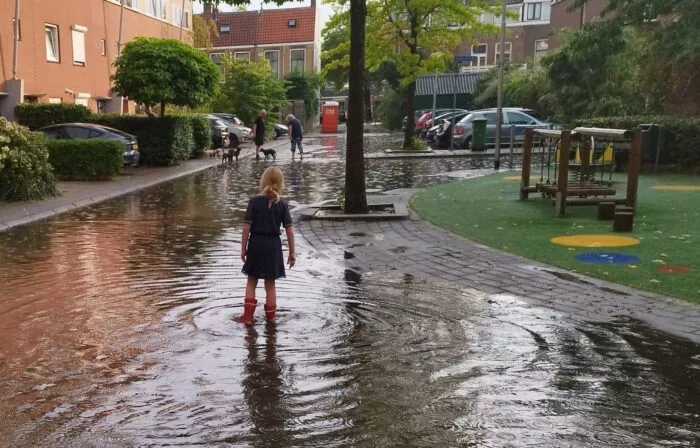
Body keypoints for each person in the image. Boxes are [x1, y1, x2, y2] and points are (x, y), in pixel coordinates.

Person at [236, 166, 296, 324]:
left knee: (252, 280)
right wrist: (292, 252)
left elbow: (246, 227)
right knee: (270, 283)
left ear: (263, 181)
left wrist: (243, 248)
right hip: (273, 246)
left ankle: (247, 317)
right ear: (281, 183)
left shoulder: (254, 202)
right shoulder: (282, 205)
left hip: (256, 243)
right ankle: (271, 319)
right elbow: (289, 231)